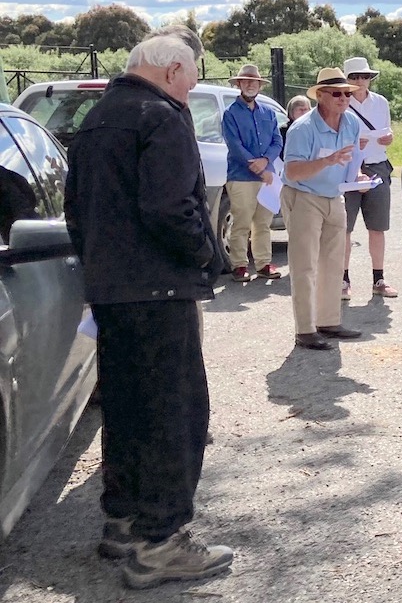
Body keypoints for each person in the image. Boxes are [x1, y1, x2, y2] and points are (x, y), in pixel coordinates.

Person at [63, 35, 232, 588]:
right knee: (174, 414)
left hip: (113, 292)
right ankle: (160, 540)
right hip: (159, 291)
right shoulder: (161, 117)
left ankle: (124, 521)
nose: (192, 88)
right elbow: (171, 205)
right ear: (173, 69)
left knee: (127, 409)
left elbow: (76, 210)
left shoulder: (96, 119)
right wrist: (206, 253)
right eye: (192, 77)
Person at [281, 68, 364, 351]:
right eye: (337, 93)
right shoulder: (303, 128)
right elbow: (292, 171)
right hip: (303, 196)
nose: (344, 98)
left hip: (334, 196)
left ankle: (328, 322)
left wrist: (360, 178)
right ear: (321, 96)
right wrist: (327, 162)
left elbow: (353, 160)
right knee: (305, 265)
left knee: (333, 262)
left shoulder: (351, 123)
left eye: (347, 93)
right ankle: (305, 330)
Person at [341, 56, 398, 299]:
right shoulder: (341, 102)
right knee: (344, 228)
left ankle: (379, 278)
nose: (361, 81)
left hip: (377, 165)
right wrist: (353, 142)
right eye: (355, 77)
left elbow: (387, 130)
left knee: (378, 227)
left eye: (365, 76)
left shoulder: (381, 102)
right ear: (347, 80)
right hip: (348, 167)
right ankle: (343, 279)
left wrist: (389, 138)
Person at [222, 64, 283, 282]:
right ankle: (239, 265)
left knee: (263, 224)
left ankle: (264, 263)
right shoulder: (230, 113)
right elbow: (234, 144)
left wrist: (266, 162)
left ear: (260, 85)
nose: (250, 84)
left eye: (254, 81)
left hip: (267, 177)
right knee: (241, 223)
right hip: (241, 176)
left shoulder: (268, 112)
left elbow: (277, 140)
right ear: (238, 84)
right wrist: (254, 164)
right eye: (246, 81)